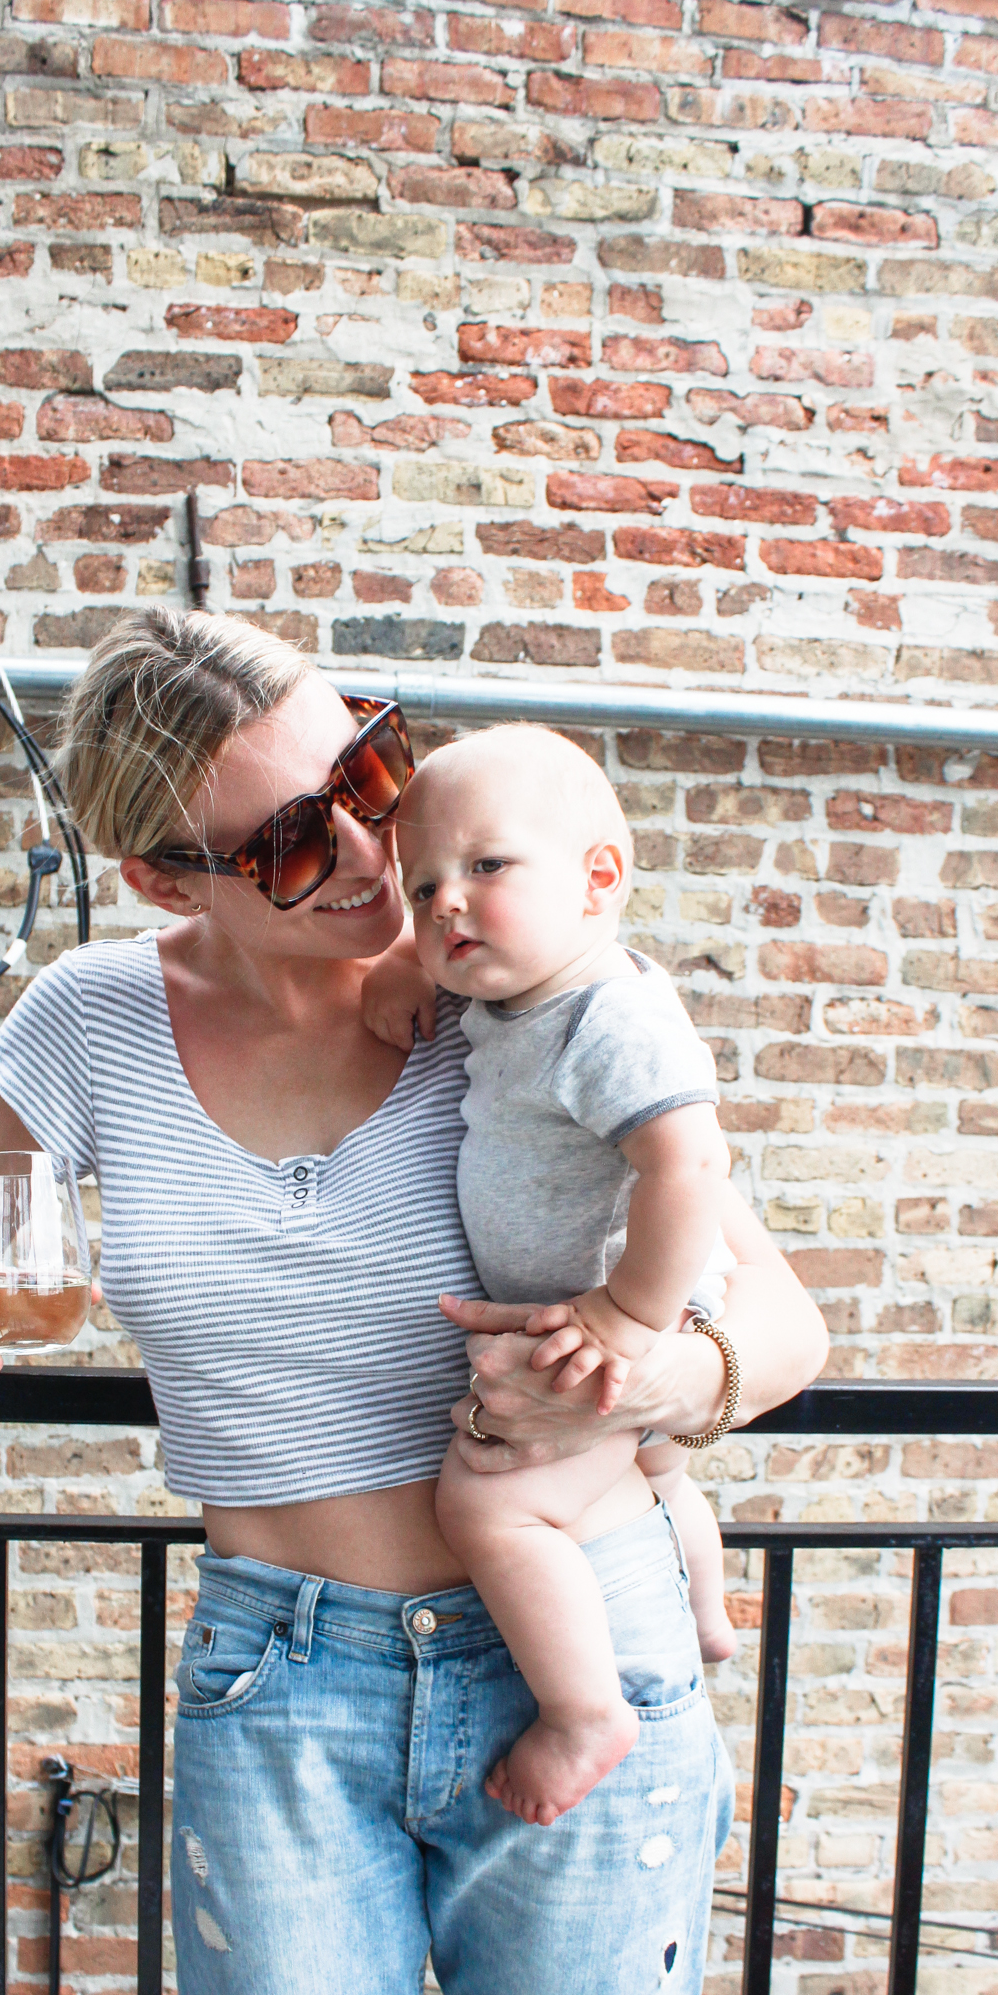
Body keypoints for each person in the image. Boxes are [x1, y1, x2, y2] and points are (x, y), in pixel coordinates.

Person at [0, 608, 828, 1995]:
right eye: (301, 836)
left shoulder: (511, 994)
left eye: (371, 769)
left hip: (575, 1644)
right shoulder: (92, 1022)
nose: (381, 844)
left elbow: (779, 1324)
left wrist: (650, 1379)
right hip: (280, 1686)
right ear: (174, 885)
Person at [362, 725, 738, 1830]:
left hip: (622, 1316)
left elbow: (691, 1163)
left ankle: (585, 1712)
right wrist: (402, 961)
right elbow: (448, 939)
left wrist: (630, 1319)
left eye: (486, 868)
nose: (446, 904)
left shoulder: (606, 1014)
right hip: (614, 1317)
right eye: (421, 885)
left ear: (598, 880)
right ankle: (707, 1608)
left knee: (486, 1502)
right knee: (662, 1472)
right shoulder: (521, 996)